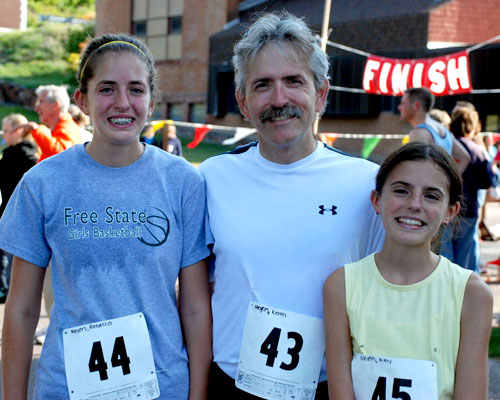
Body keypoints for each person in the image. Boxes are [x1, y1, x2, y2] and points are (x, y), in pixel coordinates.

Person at [0, 34, 212, 399]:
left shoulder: (183, 182)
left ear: (151, 100)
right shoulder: (44, 183)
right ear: (82, 99)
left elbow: (194, 307)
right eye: (107, 89)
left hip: (163, 387)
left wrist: (196, 395)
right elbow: (20, 310)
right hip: (66, 388)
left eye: (136, 89)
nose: (123, 103)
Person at [199, 12, 384, 399]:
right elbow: (198, 289)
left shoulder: (366, 183)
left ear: (321, 93)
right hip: (231, 385)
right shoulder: (212, 178)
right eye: (262, 85)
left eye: (293, 81)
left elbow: (390, 292)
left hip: (327, 387)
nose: (279, 99)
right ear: (243, 102)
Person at [323, 142, 493, 399]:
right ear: (377, 200)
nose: (415, 204)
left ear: (451, 211)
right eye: (402, 191)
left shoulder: (471, 294)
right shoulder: (342, 286)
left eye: (431, 195)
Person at [440, 107, 498, 273]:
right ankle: (464, 294)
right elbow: (488, 182)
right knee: (465, 261)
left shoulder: (447, 146)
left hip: (445, 206)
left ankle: (445, 292)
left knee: (444, 257)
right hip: (469, 209)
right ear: (472, 126)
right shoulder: (477, 150)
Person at [0, 113, 38, 301]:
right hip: (10, 213)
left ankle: (8, 293)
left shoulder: (25, 155)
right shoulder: (11, 152)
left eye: (7, 131)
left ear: (19, 131)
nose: (4, 135)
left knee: (17, 267)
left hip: (20, 218)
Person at [398, 87, 470, 174]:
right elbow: (465, 157)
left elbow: (415, 170)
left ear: (416, 106)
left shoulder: (420, 132)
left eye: (403, 103)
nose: (399, 107)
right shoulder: (442, 129)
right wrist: (449, 182)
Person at [17, 84, 81, 162]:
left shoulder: (68, 127)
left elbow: (60, 153)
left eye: (41, 102)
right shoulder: (61, 126)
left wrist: (38, 129)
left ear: (55, 105)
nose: (36, 108)